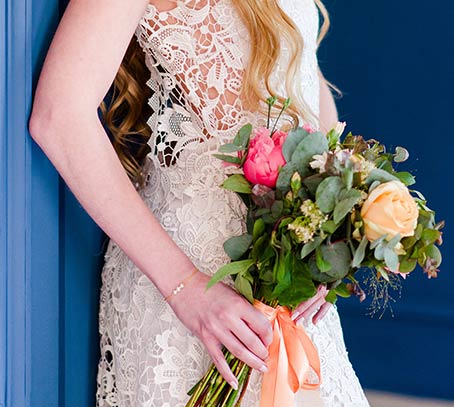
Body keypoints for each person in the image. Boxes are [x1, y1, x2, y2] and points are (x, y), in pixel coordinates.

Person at [29, 0, 370, 405]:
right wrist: (187, 289)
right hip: (194, 280)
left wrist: (328, 233)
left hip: (286, 267)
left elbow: (303, 79)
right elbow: (58, 116)